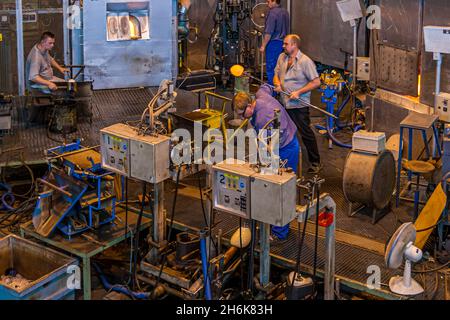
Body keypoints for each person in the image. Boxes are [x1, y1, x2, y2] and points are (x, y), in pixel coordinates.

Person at [233, 84, 299, 241]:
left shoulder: (264, 118)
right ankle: (268, 220)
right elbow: (267, 86)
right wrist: (276, 84)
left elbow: (271, 143)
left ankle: (279, 232)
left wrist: (264, 161)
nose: (242, 118)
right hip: (285, 141)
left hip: (285, 149)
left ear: (250, 105)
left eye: (243, 114)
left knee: (280, 190)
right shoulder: (261, 95)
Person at [274, 34, 322, 174]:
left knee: (305, 132)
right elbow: (276, 73)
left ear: (294, 45)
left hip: (298, 105)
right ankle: (282, 158)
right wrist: (277, 84)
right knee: (282, 129)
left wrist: (299, 92)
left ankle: (315, 162)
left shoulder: (305, 61)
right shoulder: (282, 57)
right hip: (283, 102)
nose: (283, 46)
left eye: (286, 44)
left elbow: (316, 82)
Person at [259, 0, 290, 86]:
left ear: (274, 1)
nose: (267, 2)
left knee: (272, 68)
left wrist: (263, 46)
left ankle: (273, 92)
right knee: (282, 68)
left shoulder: (272, 13)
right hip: (285, 44)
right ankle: (281, 89)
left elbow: (269, 32)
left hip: (274, 44)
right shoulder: (285, 12)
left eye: (268, 1)